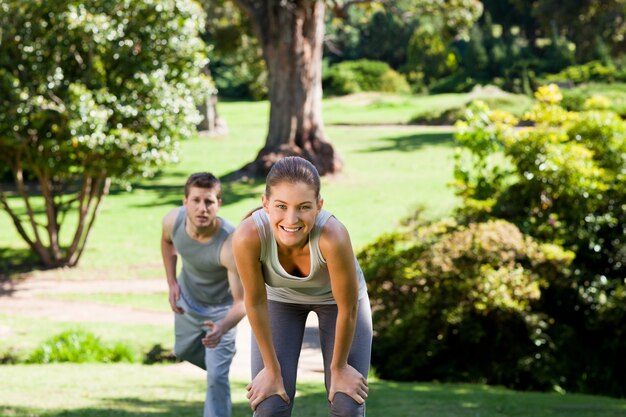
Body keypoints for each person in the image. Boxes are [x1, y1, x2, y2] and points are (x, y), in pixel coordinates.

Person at [232, 156, 372, 417]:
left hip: (337, 304)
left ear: (319, 206)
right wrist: (272, 371)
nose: (292, 219)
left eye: (304, 207)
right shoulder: (248, 236)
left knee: (346, 404)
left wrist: (339, 368)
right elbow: (255, 302)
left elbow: (348, 307)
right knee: (270, 404)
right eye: (281, 206)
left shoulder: (333, 235)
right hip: (278, 300)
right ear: (265, 204)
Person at [161, 172, 246, 417]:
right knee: (184, 350)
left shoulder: (230, 243)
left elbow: (243, 302)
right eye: (196, 200)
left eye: (209, 201)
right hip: (187, 301)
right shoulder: (172, 221)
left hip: (221, 313)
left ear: (218, 204)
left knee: (217, 378)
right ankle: (218, 360)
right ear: (185, 202)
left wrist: (222, 327)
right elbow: (167, 243)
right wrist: (171, 282)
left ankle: (221, 361)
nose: (202, 208)